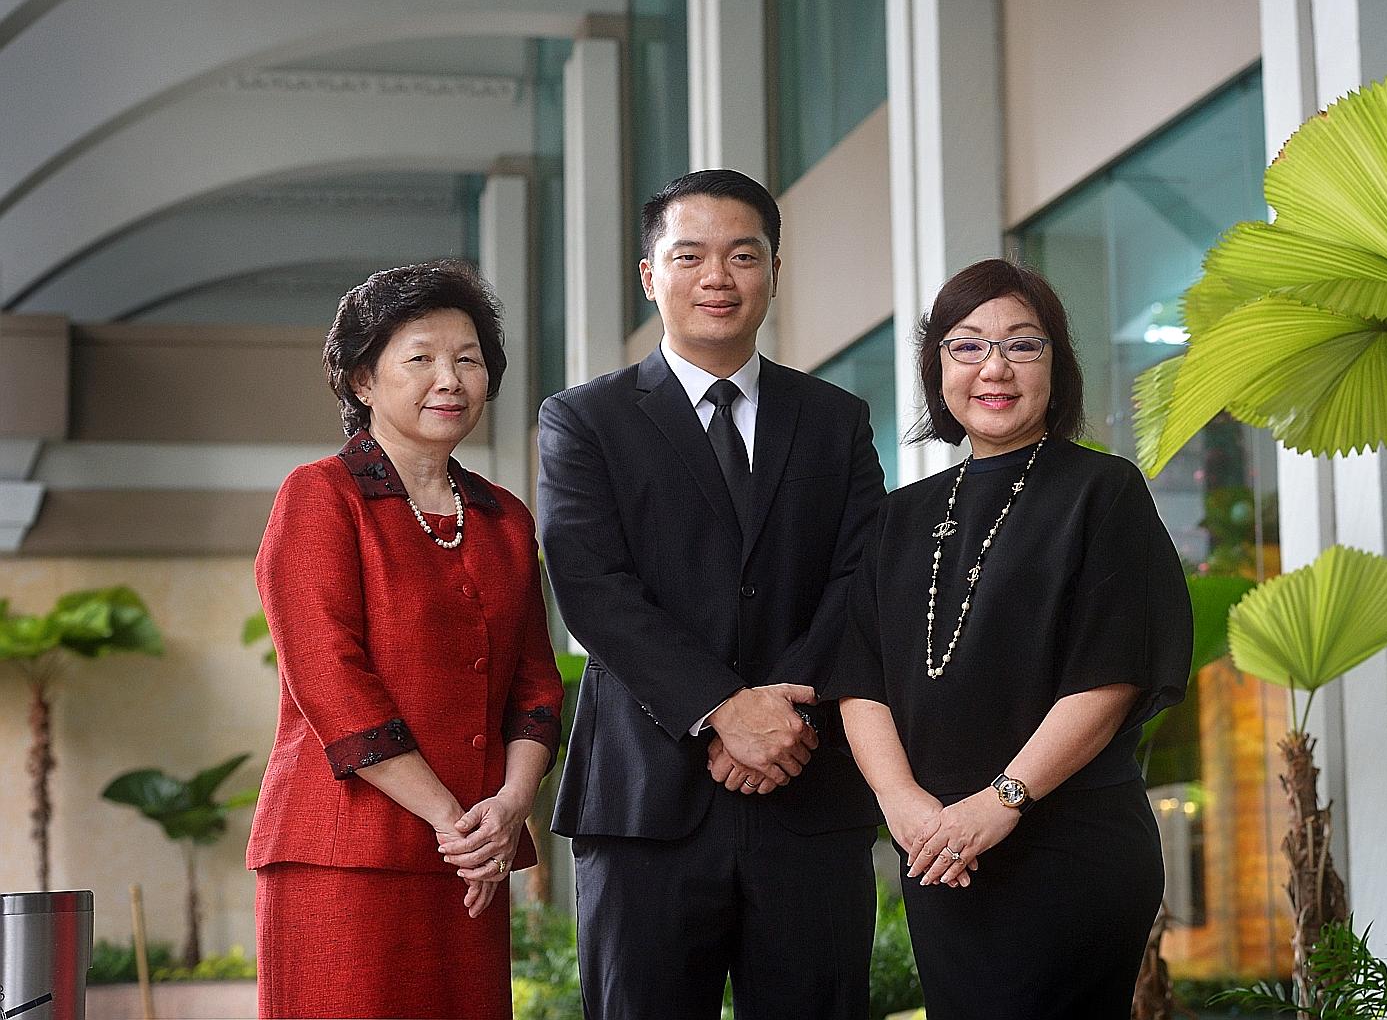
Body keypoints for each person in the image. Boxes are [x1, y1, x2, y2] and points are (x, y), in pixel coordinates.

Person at [537, 169, 886, 1019]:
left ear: (775, 270)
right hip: (645, 800)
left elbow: (863, 577)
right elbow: (592, 586)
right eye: (689, 256)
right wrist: (724, 709)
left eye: (743, 255)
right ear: (649, 274)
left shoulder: (835, 419)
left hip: (806, 791)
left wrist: (783, 714)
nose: (717, 278)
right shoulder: (584, 420)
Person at [828, 258, 1191, 1019]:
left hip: (1069, 850)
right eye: (967, 346)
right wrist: (905, 807)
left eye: (1023, 345)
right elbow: (860, 678)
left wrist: (1001, 802)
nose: (994, 368)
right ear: (938, 370)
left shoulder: (1104, 491)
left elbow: (1110, 674)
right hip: (939, 854)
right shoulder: (899, 516)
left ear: (1057, 367)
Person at [248, 260, 565, 1019]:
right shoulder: (320, 495)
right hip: (344, 856)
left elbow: (535, 684)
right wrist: (452, 820)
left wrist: (511, 804)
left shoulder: (504, 518)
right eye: (420, 358)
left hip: (471, 857)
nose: (448, 380)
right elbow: (330, 679)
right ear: (363, 380)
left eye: (468, 360)